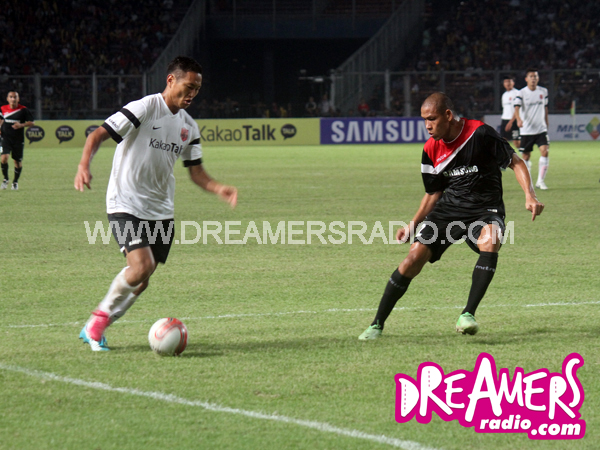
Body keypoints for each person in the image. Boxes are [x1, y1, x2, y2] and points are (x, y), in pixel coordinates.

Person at [74, 56, 238, 351]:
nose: (192, 94)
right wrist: (84, 165)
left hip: (161, 210)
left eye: (197, 89)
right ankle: (96, 323)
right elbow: (98, 134)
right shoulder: (145, 108)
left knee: (142, 279)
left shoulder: (188, 126)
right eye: (189, 86)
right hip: (125, 202)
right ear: (171, 80)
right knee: (141, 266)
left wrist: (218, 188)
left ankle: (97, 326)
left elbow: (196, 172)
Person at [359, 92, 544, 340]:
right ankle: (376, 325)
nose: (427, 126)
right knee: (412, 259)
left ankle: (468, 314)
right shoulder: (430, 149)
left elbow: (516, 162)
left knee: (491, 240)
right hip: (449, 210)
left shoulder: (480, 133)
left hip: (485, 209)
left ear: (447, 115)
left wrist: (530, 195)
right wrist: (412, 225)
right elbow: (433, 193)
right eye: (424, 120)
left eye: (432, 119)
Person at [513, 69, 550, 190]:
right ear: (526, 79)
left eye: (535, 76)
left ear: (538, 78)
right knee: (526, 157)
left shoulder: (543, 91)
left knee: (545, 151)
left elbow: (545, 108)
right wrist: (518, 119)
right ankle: (528, 183)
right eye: (531, 76)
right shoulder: (521, 93)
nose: (533, 78)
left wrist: (546, 121)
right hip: (527, 130)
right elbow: (516, 108)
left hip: (541, 129)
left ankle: (541, 181)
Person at [0, 91, 35, 190]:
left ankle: (15, 182)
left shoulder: (23, 110)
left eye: (15, 97)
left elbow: (32, 122)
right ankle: (5, 179)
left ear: (18, 99)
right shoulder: (2, 109)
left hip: (18, 140)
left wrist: (21, 125)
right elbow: (1, 119)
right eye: (11, 97)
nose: (13, 99)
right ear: (7, 99)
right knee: (4, 158)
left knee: (17, 162)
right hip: (6, 138)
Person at [500, 75, 520, 149]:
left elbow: (517, 109)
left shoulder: (517, 93)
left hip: (514, 120)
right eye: (505, 82)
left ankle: (523, 155)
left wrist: (511, 121)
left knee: (516, 142)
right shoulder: (504, 95)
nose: (507, 83)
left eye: (509, 81)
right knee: (503, 141)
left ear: (513, 83)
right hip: (505, 119)